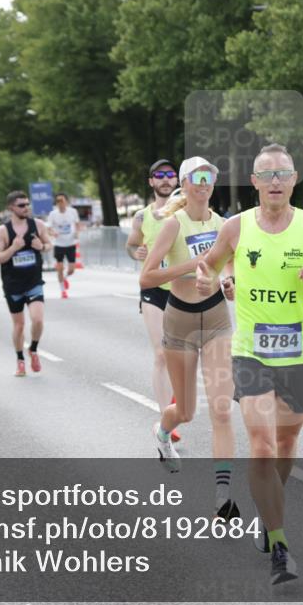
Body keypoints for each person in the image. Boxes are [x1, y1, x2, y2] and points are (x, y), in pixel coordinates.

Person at [196, 143, 303, 585]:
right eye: (266, 175)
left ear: (294, 179)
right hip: (251, 352)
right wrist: (218, 280)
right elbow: (208, 268)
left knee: (285, 444)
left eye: (282, 174)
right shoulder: (236, 227)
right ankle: (280, 545)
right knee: (263, 444)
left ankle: (268, 510)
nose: (275, 182)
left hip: (300, 355)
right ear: (254, 182)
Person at [141, 157, 240, 520]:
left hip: (216, 318)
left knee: (221, 408)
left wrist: (228, 282)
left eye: (209, 177)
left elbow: (231, 265)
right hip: (179, 320)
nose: (203, 182)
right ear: (185, 183)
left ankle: (223, 496)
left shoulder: (224, 225)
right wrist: (192, 267)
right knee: (185, 410)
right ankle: (163, 433)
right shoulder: (173, 225)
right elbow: (147, 277)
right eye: (197, 177)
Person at [126, 159, 180, 442]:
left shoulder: (186, 211)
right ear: (151, 182)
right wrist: (136, 253)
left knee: (181, 356)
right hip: (153, 289)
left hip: (182, 289)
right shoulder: (141, 216)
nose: (165, 179)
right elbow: (131, 245)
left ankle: (174, 403)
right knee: (161, 354)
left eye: (170, 175)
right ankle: (166, 422)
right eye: (159, 175)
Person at [0, 191, 48, 376]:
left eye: (27, 204)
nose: (26, 208)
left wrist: (42, 246)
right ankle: (20, 360)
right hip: (13, 285)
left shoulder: (38, 225)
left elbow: (49, 245)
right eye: (22, 205)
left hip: (33, 282)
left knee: (38, 319)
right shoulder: (3, 231)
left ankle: (33, 349)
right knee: (19, 325)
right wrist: (13, 248)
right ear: (11, 208)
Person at [47, 193, 81, 299]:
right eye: (59, 202)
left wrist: (77, 233)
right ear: (56, 203)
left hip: (70, 243)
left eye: (63, 202)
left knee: (71, 269)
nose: (61, 204)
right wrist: (53, 233)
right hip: (59, 244)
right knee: (60, 268)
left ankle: (65, 278)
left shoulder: (73, 212)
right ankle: (63, 291)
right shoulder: (53, 214)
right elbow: (49, 228)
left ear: (66, 202)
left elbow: (77, 224)